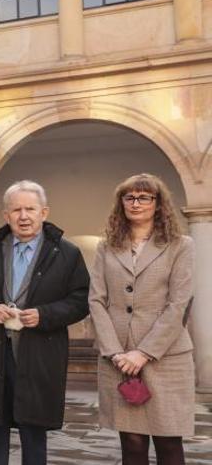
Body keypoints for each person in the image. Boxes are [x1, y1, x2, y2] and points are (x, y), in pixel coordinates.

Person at [0, 180, 89, 465]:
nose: (23, 216)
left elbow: (81, 300)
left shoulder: (67, 253)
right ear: (6, 216)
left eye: (30, 209)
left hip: (39, 353)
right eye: (16, 209)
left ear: (44, 212)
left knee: (34, 434)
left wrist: (45, 314)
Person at [89, 173, 194, 465]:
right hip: (119, 359)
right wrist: (114, 352)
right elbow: (96, 300)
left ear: (158, 204)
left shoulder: (180, 245)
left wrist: (144, 352)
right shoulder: (107, 246)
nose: (136, 203)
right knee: (132, 445)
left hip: (166, 357)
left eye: (144, 197)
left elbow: (179, 304)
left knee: (169, 442)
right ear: (121, 203)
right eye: (129, 197)